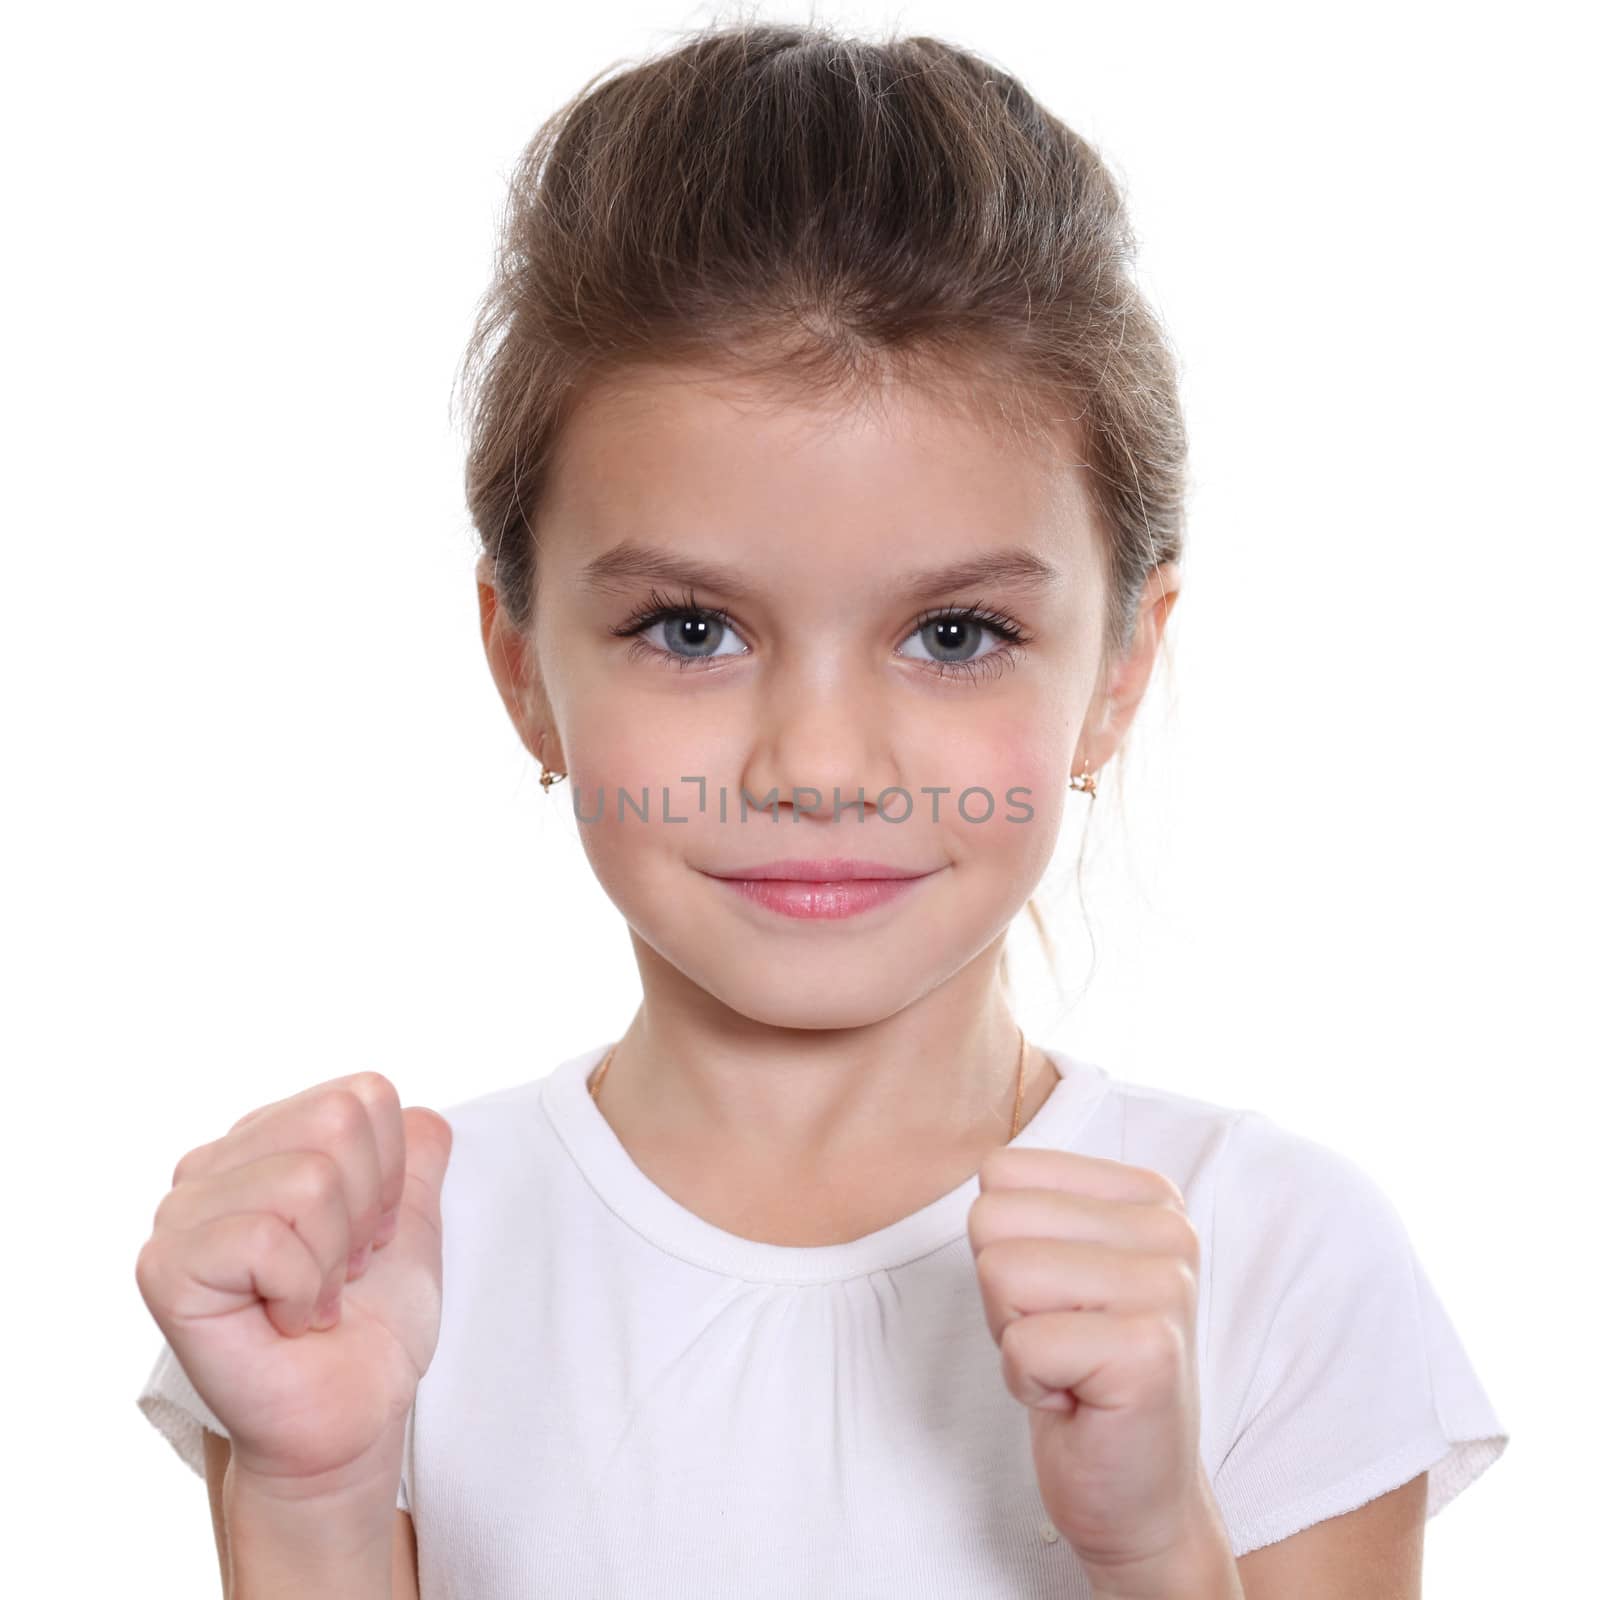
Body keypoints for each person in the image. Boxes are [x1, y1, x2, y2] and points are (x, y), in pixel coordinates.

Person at [132, 19, 1508, 1599]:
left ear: (1120, 670)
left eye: (955, 634)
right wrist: (312, 1501)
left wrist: (1152, 1544)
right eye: (692, 629)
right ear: (522, 668)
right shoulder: (374, 1275)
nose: (821, 763)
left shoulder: (1268, 1253)